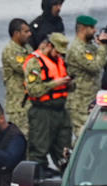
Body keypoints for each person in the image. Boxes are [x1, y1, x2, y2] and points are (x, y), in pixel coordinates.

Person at [24, 33, 72, 175]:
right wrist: (55, 83)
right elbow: (33, 90)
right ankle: (38, 180)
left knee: (65, 151)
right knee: (38, 149)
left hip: (61, 111)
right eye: (57, 51)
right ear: (49, 46)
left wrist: (69, 83)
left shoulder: (60, 61)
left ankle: (67, 178)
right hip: (42, 112)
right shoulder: (34, 62)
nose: (59, 55)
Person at [65, 15, 106, 142]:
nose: (95, 31)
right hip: (79, 102)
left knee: (94, 137)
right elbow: (95, 66)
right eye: (92, 28)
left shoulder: (89, 46)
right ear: (82, 29)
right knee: (83, 137)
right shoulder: (77, 48)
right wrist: (102, 47)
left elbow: (105, 60)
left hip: (91, 99)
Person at [2, 18, 34, 140]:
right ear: (16, 33)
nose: (29, 34)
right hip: (18, 106)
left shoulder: (27, 48)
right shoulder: (11, 50)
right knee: (21, 139)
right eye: (26, 32)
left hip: (29, 103)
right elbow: (26, 68)